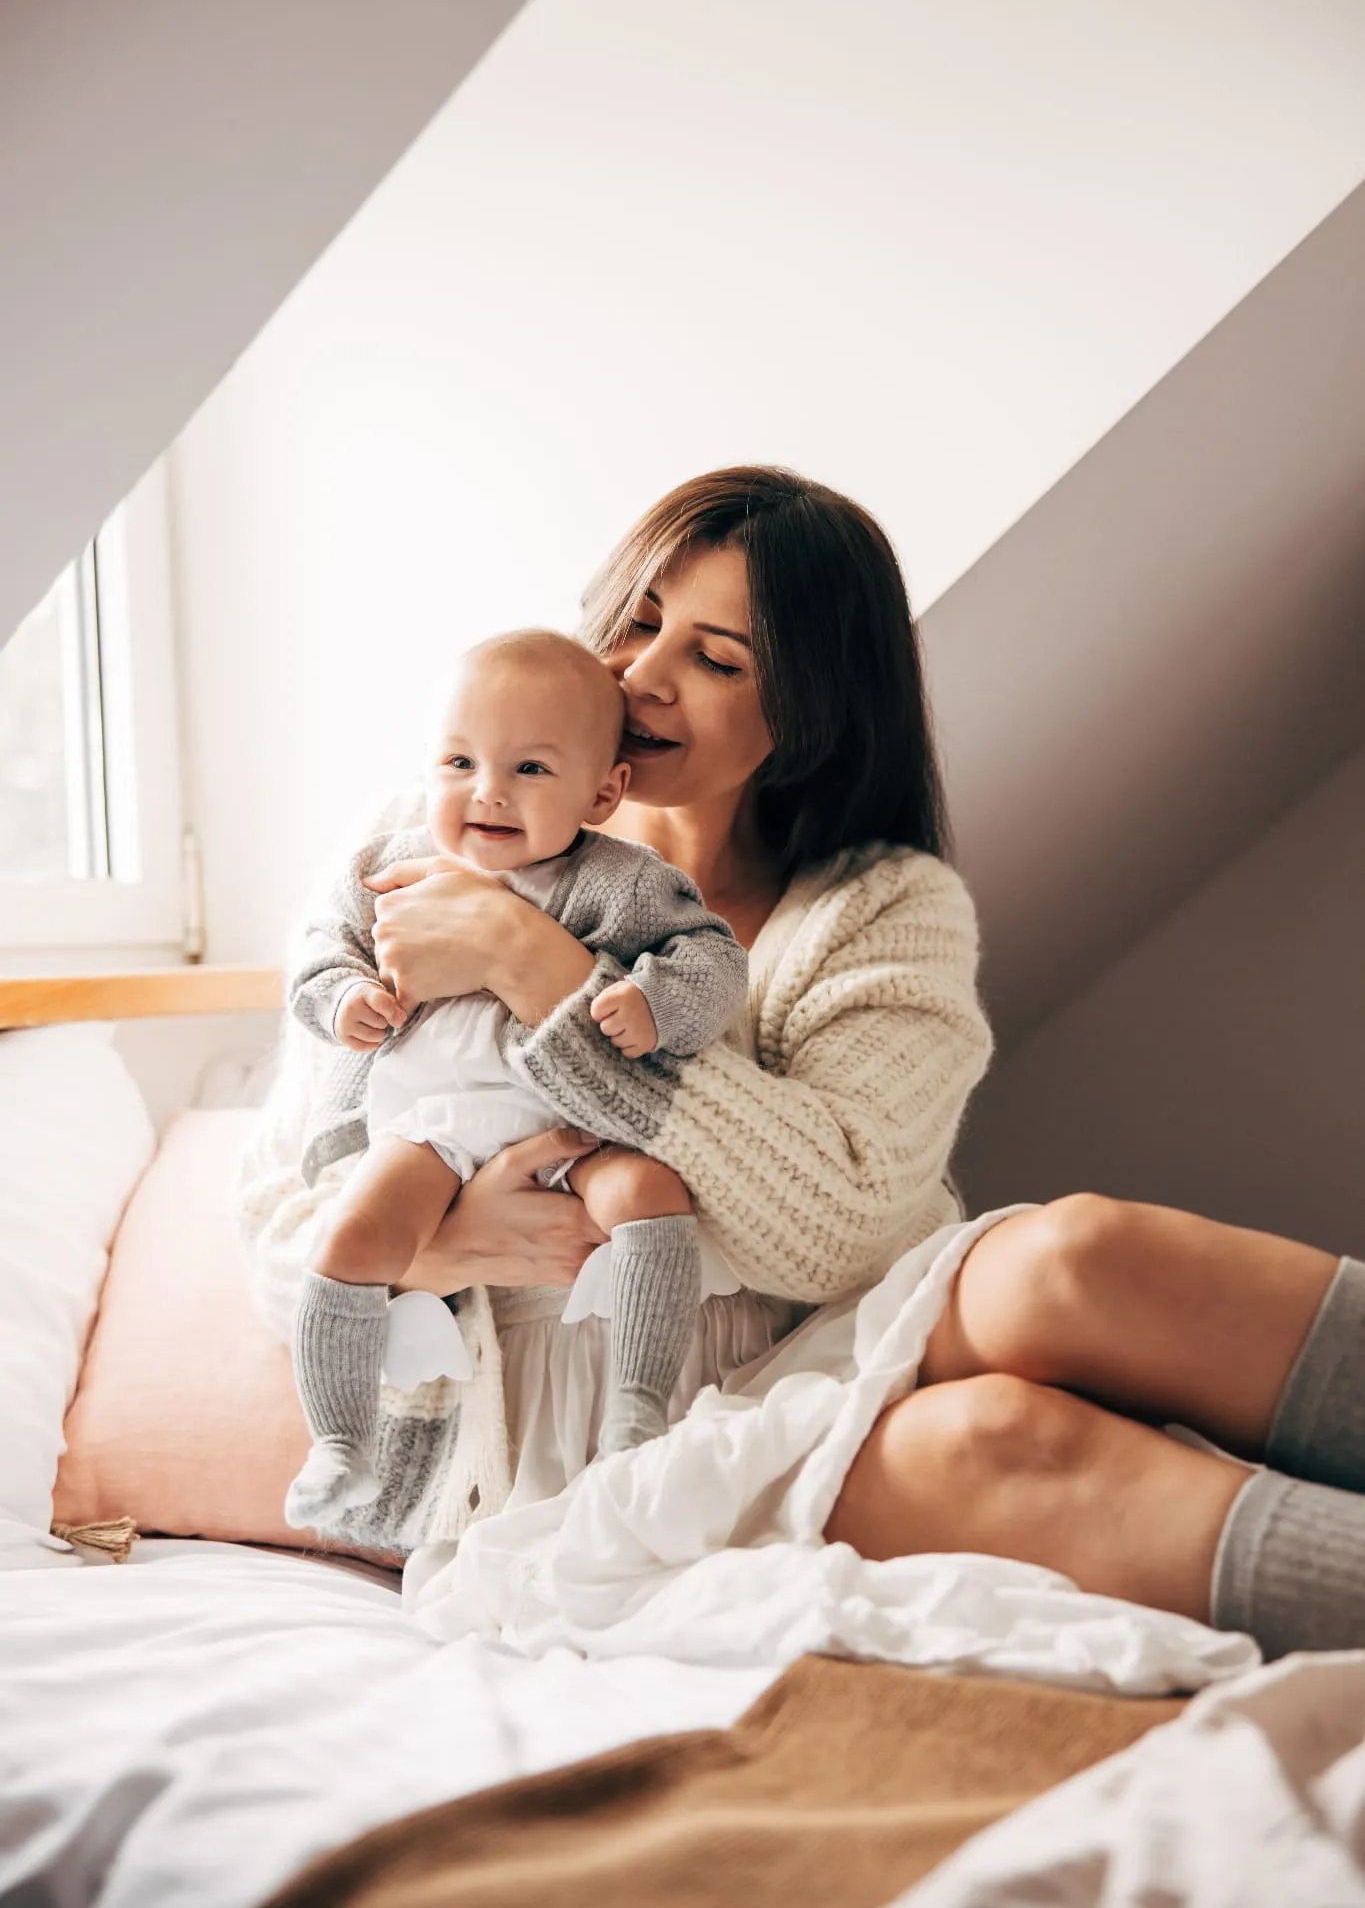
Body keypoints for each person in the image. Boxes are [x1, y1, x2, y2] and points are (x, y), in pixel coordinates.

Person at [238, 464, 1364, 1660]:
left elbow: (836, 1223)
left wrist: (542, 970)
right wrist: (439, 1244)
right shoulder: (419, 847)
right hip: (612, 1442)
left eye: (718, 660)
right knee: (992, 1441)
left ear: (810, 710)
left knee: (1077, 1257)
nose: (641, 676)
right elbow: (274, 1219)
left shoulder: (884, 909)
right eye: (636, 620)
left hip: (841, 1324)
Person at [280, 629, 749, 1531]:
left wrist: (654, 1002)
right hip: (431, 1129)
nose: (486, 789)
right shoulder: (384, 867)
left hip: (576, 1123)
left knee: (651, 1197)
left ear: (602, 791)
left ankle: (636, 1405)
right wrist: (342, 999)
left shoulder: (620, 882)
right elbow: (318, 955)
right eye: (459, 760)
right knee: (351, 1236)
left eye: (530, 768)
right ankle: (339, 1442)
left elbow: (713, 962)